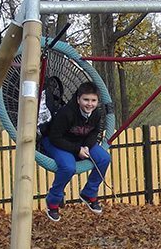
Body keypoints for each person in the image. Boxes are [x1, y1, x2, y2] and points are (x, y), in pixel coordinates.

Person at [41, 81, 111, 222]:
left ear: (97, 101)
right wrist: (77, 150)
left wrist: (86, 146)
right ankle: (53, 200)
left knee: (104, 158)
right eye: (86, 100)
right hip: (57, 142)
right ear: (78, 99)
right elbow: (55, 137)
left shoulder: (96, 114)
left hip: (80, 142)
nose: (89, 104)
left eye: (93, 100)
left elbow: (94, 133)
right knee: (68, 167)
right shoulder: (66, 113)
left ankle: (89, 193)